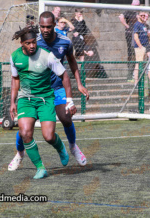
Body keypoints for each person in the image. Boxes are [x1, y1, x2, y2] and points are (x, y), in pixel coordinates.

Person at [8, 11, 90, 172]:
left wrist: (79, 84)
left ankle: (73, 147)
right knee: (24, 128)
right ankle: (20, 153)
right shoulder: (33, 42)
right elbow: (19, 70)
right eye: (42, 26)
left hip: (57, 88)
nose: (45, 30)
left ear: (54, 25)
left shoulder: (65, 42)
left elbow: (72, 62)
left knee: (66, 118)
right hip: (34, 92)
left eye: (48, 26)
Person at [9, 25, 72, 179]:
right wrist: (12, 102)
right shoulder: (14, 57)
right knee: (24, 133)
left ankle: (60, 147)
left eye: (33, 42)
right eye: (28, 43)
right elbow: (15, 80)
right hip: (26, 100)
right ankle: (40, 168)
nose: (32, 46)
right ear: (22, 44)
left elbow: (64, 75)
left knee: (49, 136)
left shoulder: (47, 56)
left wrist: (69, 100)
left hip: (45, 99)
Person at [119, 0, 139, 80]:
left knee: (137, 53)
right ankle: (130, 75)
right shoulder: (129, 10)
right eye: (134, 5)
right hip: (130, 34)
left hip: (137, 34)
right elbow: (121, 17)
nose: (135, 7)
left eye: (136, 6)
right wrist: (127, 26)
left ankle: (135, 74)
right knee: (131, 53)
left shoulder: (138, 12)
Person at [133, 11, 150, 84]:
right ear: (138, 16)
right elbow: (135, 37)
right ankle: (136, 80)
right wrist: (140, 46)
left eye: (144, 15)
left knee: (149, 60)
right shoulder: (137, 24)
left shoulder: (144, 25)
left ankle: (146, 77)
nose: (143, 16)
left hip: (146, 45)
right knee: (139, 63)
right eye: (141, 15)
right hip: (140, 46)